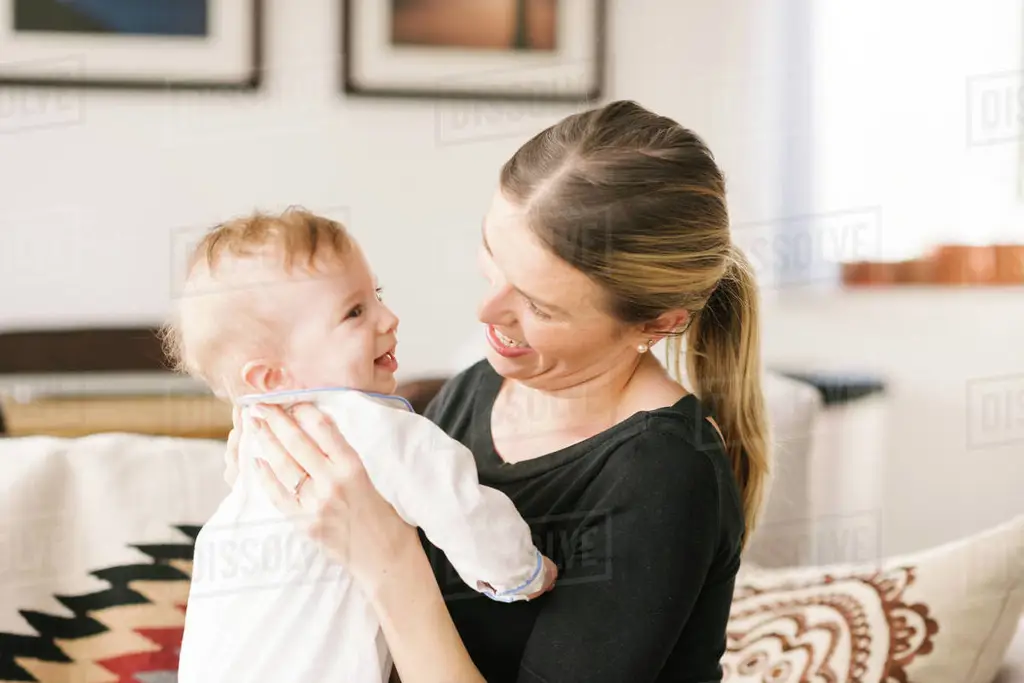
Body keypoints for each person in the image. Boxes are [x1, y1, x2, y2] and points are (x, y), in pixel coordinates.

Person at [241, 100, 771, 683]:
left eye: (539, 305)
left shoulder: (665, 473)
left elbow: (387, 561)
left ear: (658, 323)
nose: (486, 310)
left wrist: (384, 556)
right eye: (493, 256)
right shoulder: (482, 387)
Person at [162, 208, 557, 683]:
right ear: (271, 376)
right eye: (354, 312)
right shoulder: (373, 428)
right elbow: (461, 505)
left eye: (377, 296)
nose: (388, 318)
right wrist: (521, 571)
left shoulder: (254, 437)